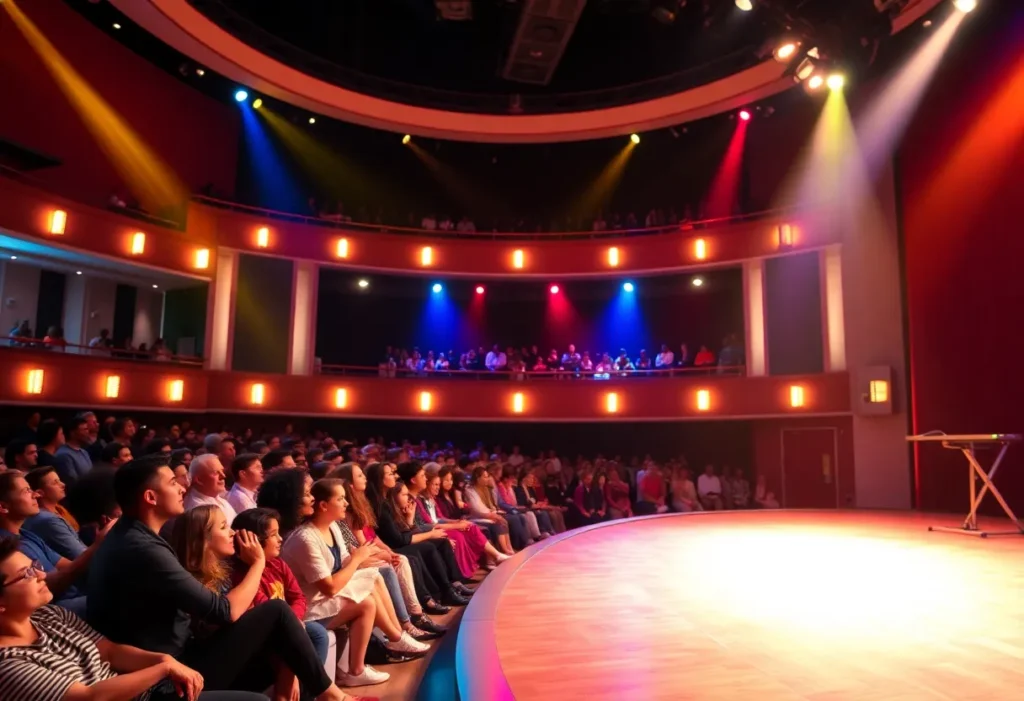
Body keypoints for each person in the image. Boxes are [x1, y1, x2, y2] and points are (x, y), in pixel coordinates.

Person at [86, 455, 362, 701]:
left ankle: (330, 695)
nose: (183, 487)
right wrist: (258, 563)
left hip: (176, 658)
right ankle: (334, 697)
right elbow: (224, 612)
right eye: (173, 483)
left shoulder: (135, 538)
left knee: (288, 644)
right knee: (277, 613)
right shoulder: (141, 548)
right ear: (150, 497)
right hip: (167, 677)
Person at [0, 535, 265, 701]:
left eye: (36, 566)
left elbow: (111, 652)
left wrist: (164, 659)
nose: (42, 575)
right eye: (27, 574)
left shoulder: (49, 614)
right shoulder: (7, 663)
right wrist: (163, 668)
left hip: (146, 691)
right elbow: (91, 697)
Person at [280, 479, 429, 686]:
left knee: (375, 575)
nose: (346, 503)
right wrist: (359, 558)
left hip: (325, 597)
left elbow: (347, 561)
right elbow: (330, 587)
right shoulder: (305, 538)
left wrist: (369, 556)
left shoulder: (331, 527)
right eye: (340, 499)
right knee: (366, 603)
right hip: (310, 607)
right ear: (324, 506)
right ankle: (362, 666)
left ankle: (397, 637)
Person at [230, 508, 333, 685]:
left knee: (317, 634)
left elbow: (299, 597)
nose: (280, 539)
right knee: (315, 634)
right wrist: (292, 625)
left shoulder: (278, 564)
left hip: (287, 624)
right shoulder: (242, 574)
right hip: (265, 635)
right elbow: (265, 608)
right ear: (255, 540)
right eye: (273, 534)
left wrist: (293, 621)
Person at [0, 471, 105, 617]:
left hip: (75, 595)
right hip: (54, 609)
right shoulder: (6, 549)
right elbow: (46, 588)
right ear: (3, 507)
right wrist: (98, 545)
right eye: (26, 491)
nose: (36, 495)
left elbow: (68, 565)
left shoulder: (25, 534)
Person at [366, 464, 472, 606]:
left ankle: (453, 585)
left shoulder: (386, 501)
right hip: (392, 546)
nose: (395, 476)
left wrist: (410, 520)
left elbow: (405, 532)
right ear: (380, 479)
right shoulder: (380, 504)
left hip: (396, 543)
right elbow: (399, 539)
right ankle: (441, 593)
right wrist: (429, 534)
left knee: (440, 542)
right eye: (390, 474)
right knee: (427, 547)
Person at [404, 464, 509, 576]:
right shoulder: (418, 499)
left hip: (435, 527)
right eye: (435, 484)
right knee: (459, 535)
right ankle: (463, 574)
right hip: (430, 530)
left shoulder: (428, 498)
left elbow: (437, 519)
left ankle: (496, 555)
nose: (438, 487)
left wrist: (457, 522)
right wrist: (456, 525)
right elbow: (430, 523)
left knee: (471, 527)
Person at [23, 466, 85, 560]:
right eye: (55, 482)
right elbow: (79, 554)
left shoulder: (58, 508)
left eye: (59, 480)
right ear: (40, 492)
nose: (63, 484)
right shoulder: (49, 521)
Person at [464, 466, 527, 552]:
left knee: (503, 521)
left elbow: (491, 506)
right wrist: (492, 515)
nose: (487, 479)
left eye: (487, 477)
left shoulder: (485, 489)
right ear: (478, 478)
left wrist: (494, 513)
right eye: (485, 477)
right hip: (477, 516)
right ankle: (505, 550)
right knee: (498, 522)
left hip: (487, 514)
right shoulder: (470, 489)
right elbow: (477, 509)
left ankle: (509, 548)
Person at [185, 454, 237, 524]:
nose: (223, 476)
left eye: (222, 471)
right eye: (215, 473)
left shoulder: (219, 499)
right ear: (199, 480)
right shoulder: (199, 510)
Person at [54, 416, 93, 487]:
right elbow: (72, 482)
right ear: (73, 433)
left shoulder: (84, 452)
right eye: (84, 429)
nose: (88, 432)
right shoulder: (64, 455)